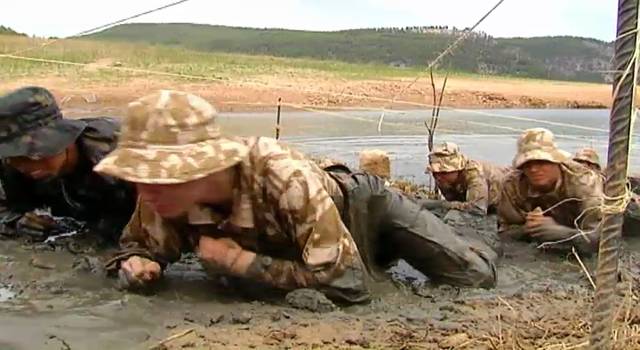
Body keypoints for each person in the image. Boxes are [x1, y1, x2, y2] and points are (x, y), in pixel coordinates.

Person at [97, 90, 498, 303]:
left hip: (364, 209)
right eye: (141, 176)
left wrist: (240, 262)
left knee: (473, 277)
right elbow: (138, 246)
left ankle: (470, 235)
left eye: (161, 176)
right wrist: (140, 262)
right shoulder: (160, 195)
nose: (145, 190)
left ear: (202, 166)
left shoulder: (284, 177)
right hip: (310, 240)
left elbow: (349, 284)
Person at [0, 86, 136, 241]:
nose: (27, 165)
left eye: (36, 153)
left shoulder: (118, 154)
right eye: (15, 157)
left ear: (62, 137)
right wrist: (18, 221)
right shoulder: (11, 165)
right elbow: (5, 209)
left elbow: (159, 213)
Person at [498, 128, 604, 254]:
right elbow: (504, 233)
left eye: (541, 162)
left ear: (556, 161)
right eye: (527, 164)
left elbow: (600, 239)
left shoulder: (585, 183)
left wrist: (561, 232)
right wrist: (527, 229)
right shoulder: (512, 185)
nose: (533, 169)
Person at [426, 142, 509, 215]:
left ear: (457, 169)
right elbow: (455, 201)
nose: (438, 177)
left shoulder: (474, 174)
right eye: (435, 172)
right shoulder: (444, 180)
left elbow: (477, 209)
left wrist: (441, 205)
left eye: (443, 172)